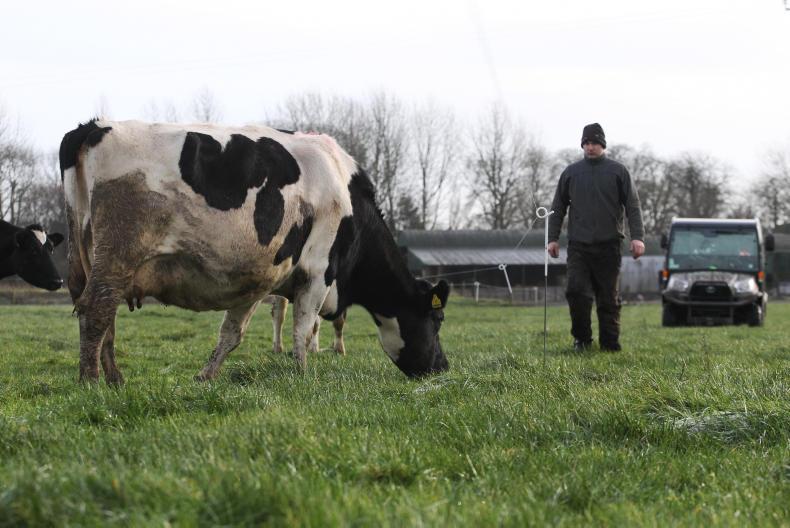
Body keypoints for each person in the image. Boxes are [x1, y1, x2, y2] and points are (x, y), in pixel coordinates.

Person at [547, 123, 645, 351]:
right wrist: (552, 238)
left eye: (594, 143)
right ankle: (582, 340)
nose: (590, 147)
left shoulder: (618, 171)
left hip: (609, 245)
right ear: (582, 145)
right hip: (578, 246)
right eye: (587, 143)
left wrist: (638, 237)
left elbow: (633, 206)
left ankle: (610, 343)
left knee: (608, 297)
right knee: (576, 292)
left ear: (603, 145)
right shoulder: (571, 173)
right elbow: (558, 207)